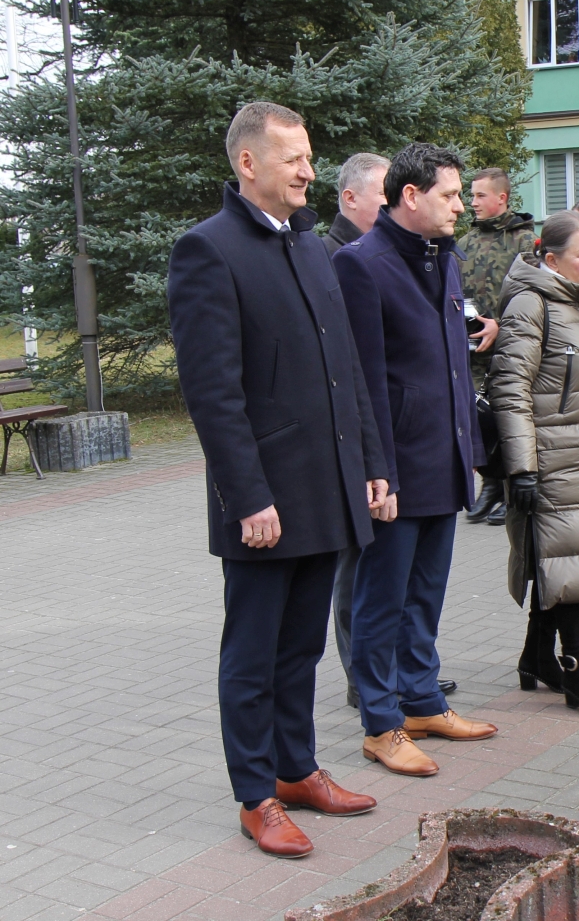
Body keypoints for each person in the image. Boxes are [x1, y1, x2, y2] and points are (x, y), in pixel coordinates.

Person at [167, 101, 382, 860]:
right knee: (253, 655)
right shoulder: (208, 250)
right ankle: (256, 794)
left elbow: (346, 367)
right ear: (248, 163)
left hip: (325, 487)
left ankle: (297, 769)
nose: (308, 171)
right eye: (294, 158)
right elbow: (212, 393)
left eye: (309, 157)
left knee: (302, 649)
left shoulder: (310, 246)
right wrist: (247, 496)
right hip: (265, 497)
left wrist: (370, 466)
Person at [333, 143, 497, 778]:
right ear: (410, 196)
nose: (460, 206)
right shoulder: (361, 264)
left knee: (426, 593)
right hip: (396, 468)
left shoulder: (442, 258)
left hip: (443, 458)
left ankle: (423, 702)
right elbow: (364, 382)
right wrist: (379, 471)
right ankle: (381, 723)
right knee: (381, 602)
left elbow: (453, 367)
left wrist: (470, 452)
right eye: (450, 195)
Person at [488, 211, 579, 716]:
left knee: (564, 560)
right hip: (553, 459)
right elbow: (510, 388)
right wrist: (523, 468)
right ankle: (578, 671)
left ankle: (536, 657)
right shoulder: (531, 304)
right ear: (551, 259)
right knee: (575, 564)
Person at [460, 169, 535, 527]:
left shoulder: (525, 241)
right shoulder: (465, 241)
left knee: (509, 417)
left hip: (511, 347)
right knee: (479, 419)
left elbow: (535, 296)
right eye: (471, 195)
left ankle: (508, 489)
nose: (472, 202)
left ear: (502, 198)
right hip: (473, 349)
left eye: (480, 195)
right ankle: (490, 484)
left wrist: (501, 326)